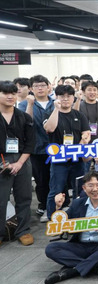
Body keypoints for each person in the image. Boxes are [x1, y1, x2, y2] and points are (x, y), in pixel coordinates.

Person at [44, 171, 98, 284]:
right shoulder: (77, 204)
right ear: (84, 188)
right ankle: (94, 265)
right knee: (51, 249)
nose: (94, 189)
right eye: (90, 185)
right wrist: (58, 208)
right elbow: (61, 224)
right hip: (80, 245)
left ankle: (71, 271)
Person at [44, 85, 90, 220]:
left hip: (77, 160)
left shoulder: (79, 115)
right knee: (56, 190)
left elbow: (86, 134)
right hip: (58, 160)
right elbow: (50, 129)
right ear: (56, 97)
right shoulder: (50, 113)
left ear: (73, 98)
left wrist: (75, 152)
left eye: (68, 96)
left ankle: (78, 217)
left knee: (80, 189)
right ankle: (53, 219)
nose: (65, 99)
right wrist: (56, 110)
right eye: (61, 96)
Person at [0, 81, 35, 246]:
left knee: (24, 197)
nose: (9, 96)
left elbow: (30, 143)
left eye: (13, 93)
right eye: (5, 93)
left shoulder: (24, 117)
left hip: (22, 159)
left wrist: (20, 163)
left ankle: (23, 230)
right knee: (1, 198)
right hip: (1, 160)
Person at [18, 75, 54, 217]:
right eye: (37, 86)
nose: (40, 88)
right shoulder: (24, 104)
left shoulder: (54, 103)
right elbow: (25, 123)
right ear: (31, 88)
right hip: (37, 148)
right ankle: (43, 204)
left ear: (48, 87)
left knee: (57, 178)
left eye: (43, 85)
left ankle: (59, 205)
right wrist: (30, 105)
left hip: (56, 147)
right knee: (41, 179)